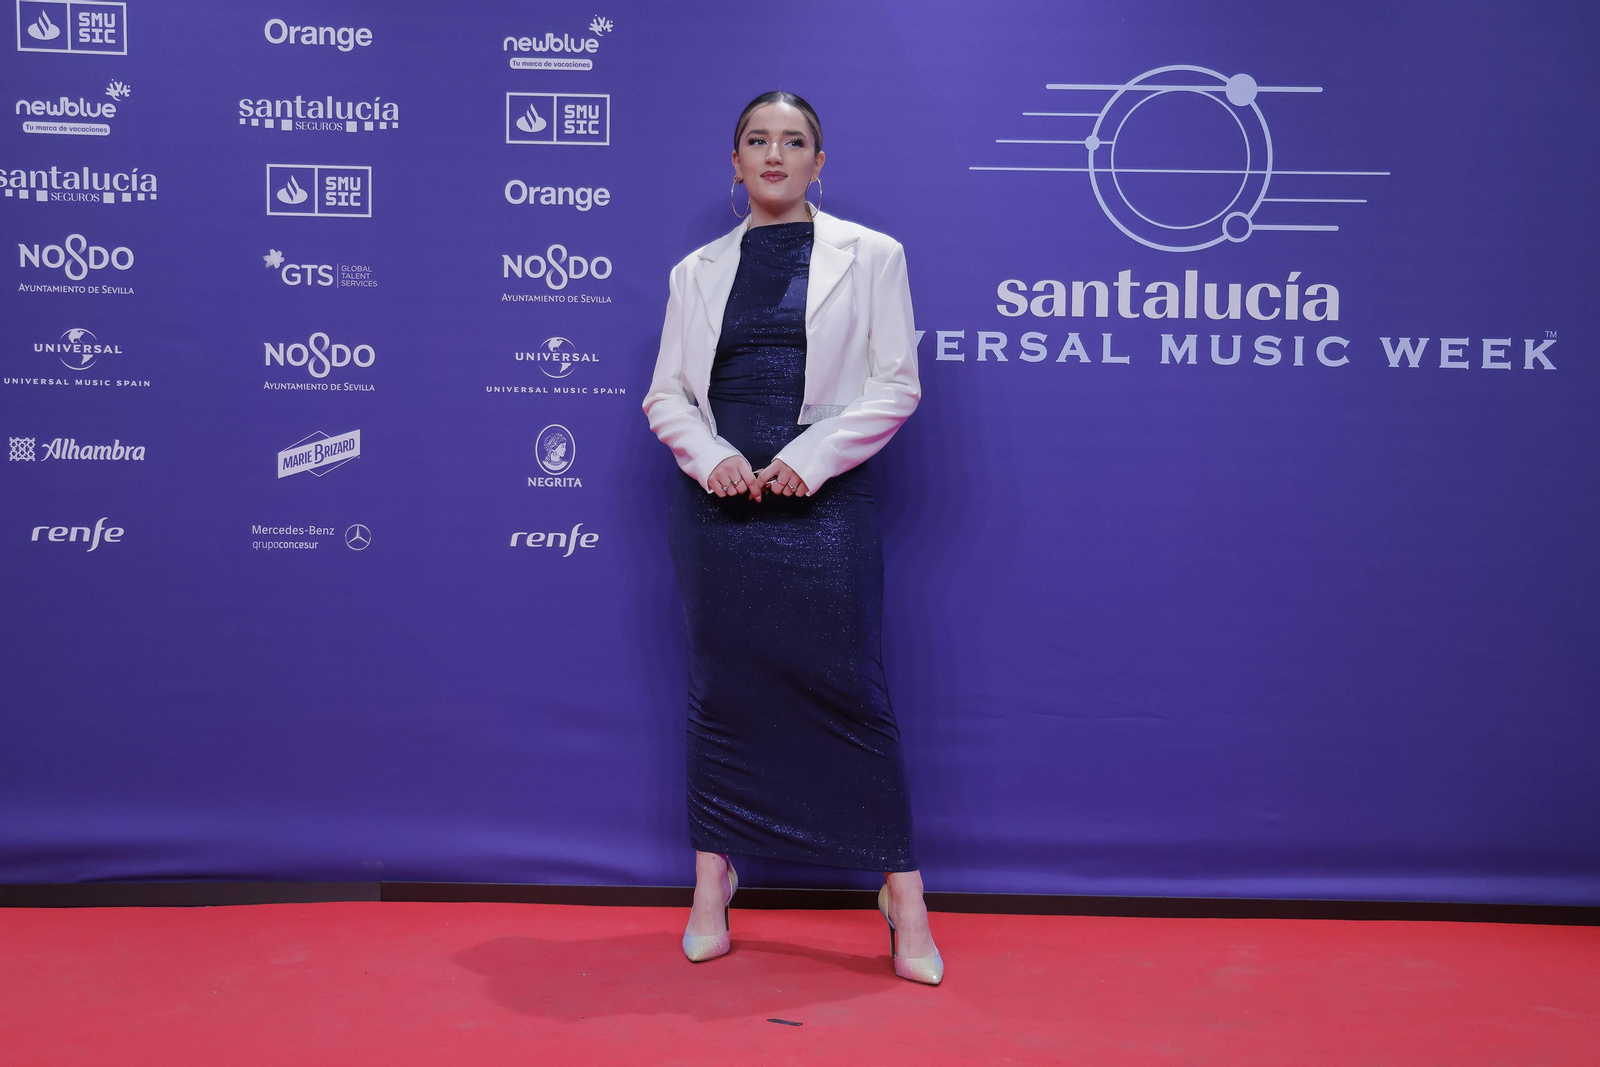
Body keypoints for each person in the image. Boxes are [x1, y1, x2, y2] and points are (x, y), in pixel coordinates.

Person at [642, 91, 941, 985]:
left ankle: (903, 892)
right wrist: (712, 458)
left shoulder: (875, 256)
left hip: (824, 500)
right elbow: (667, 396)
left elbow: (897, 384)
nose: (775, 153)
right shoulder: (693, 270)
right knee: (722, 689)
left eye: (794, 141)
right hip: (720, 510)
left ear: (820, 161)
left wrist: (812, 457)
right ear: (734, 163)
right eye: (757, 141)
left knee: (852, 689)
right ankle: (712, 876)